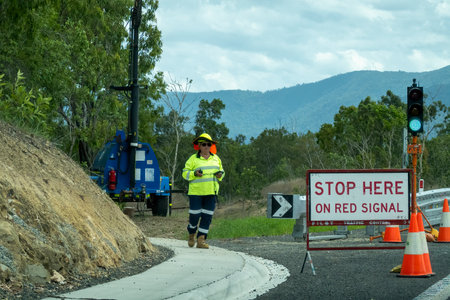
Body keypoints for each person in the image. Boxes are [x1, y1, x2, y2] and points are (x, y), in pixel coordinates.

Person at [182, 133, 225, 249]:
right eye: (204, 144)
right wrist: (194, 174)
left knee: (207, 217)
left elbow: (222, 172)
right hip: (196, 193)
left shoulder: (216, 158)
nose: (207, 147)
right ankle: (191, 233)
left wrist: (220, 174)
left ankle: (201, 240)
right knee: (194, 217)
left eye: (209, 144)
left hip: (211, 193)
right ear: (199, 146)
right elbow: (184, 173)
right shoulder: (192, 159)